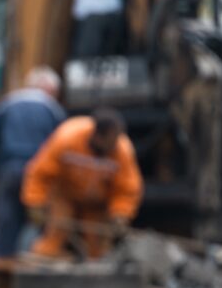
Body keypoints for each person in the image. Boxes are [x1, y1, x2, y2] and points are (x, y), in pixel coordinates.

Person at [22, 108, 142, 259]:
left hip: (97, 202)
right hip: (65, 195)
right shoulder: (68, 138)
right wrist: (35, 202)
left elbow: (127, 188)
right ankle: (44, 261)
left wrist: (121, 213)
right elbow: (40, 172)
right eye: (109, 143)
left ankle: (96, 272)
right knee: (56, 231)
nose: (113, 147)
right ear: (97, 136)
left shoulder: (122, 149)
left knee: (97, 243)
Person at [0, 66, 66, 259]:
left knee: (6, 222)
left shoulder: (8, 103)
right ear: (50, 89)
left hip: (10, 168)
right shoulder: (53, 110)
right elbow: (64, 144)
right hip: (40, 175)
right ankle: (35, 266)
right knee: (41, 222)